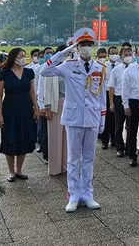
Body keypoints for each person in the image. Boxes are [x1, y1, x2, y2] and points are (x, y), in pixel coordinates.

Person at [40, 28, 107, 212]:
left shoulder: (100, 68)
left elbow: (102, 96)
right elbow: (45, 71)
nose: (86, 48)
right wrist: (64, 51)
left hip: (92, 117)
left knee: (89, 158)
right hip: (74, 117)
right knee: (73, 159)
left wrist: (103, 119)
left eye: (88, 45)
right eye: (82, 45)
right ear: (77, 47)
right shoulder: (68, 66)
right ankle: (73, 195)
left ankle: (87, 193)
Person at [0, 48, 39, 182]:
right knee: (10, 138)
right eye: (21, 56)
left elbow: (32, 92)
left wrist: (36, 109)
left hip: (26, 109)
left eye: (25, 56)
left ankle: (19, 170)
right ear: (14, 57)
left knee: (23, 138)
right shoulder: (4, 73)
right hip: (9, 110)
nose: (23, 58)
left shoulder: (29, 72)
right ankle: (11, 172)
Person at [43, 45, 67, 176]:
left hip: (70, 104)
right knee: (55, 137)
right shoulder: (52, 67)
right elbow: (47, 88)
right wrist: (47, 107)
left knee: (68, 137)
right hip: (55, 104)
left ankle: (67, 166)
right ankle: (55, 168)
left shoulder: (73, 66)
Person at [123, 46, 139, 167]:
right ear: (135, 55)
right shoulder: (129, 70)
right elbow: (125, 89)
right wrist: (126, 105)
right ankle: (132, 155)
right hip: (133, 102)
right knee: (132, 130)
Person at [108, 47, 130, 157]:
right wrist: (111, 103)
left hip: (131, 100)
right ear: (121, 56)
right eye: (125, 55)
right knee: (119, 126)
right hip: (119, 98)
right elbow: (111, 87)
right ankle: (120, 147)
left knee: (131, 126)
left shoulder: (135, 68)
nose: (127, 56)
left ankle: (130, 148)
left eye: (129, 54)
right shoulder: (116, 70)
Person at [100, 46, 119, 150]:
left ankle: (114, 140)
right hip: (106, 93)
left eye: (116, 53)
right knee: (106, 118)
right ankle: (105, 140)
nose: (114, 55)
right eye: (112, 53)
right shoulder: (104, 66)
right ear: (108, 54)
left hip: (117, 94)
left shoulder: (120, 66)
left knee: (116, 119)